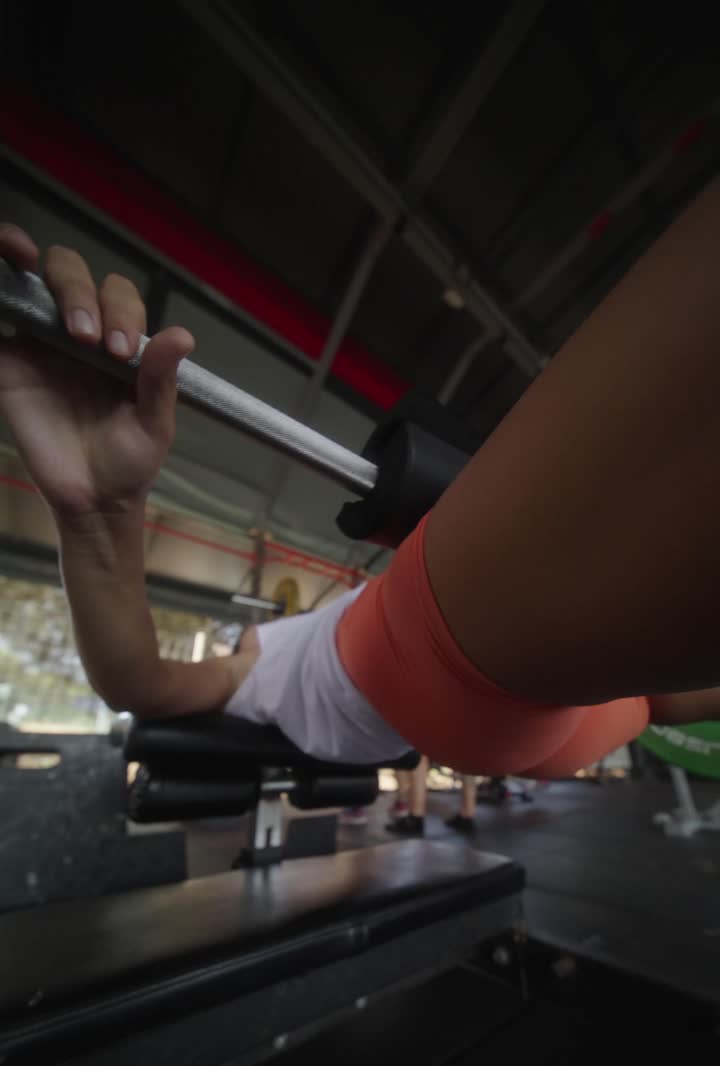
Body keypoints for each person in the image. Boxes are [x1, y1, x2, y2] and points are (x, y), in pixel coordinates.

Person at [4, 183, 720, 778]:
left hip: (525, 729)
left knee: (660, 699)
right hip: (431, 665)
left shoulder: (277, 650)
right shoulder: (248, 670)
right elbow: (140, 686)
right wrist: (99, 512)